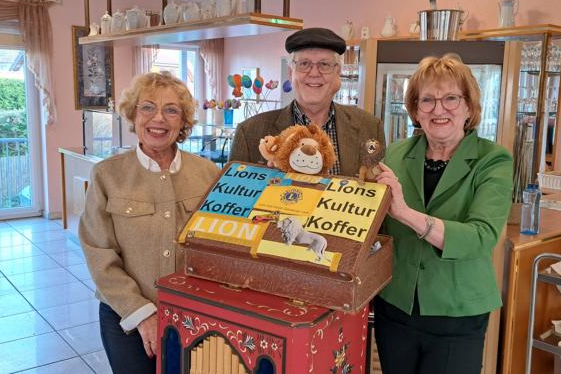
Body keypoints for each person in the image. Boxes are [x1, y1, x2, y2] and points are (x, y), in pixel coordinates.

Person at [373, 54, 513, 374]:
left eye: (451, 98)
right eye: (427, 100)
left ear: (469, 106)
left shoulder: (493, 160)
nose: (439, 109)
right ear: (415, 109)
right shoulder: (395, 153)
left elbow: (480, 237)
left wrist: (405, 213)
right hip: (395, 307)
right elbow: (372, 221)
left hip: (458, 315)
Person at [79, 72, 220, 374]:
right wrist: (142, 314)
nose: (159, 118)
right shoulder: (107, 175)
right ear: (133, 115)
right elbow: (99, 253)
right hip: (126, 318)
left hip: (196, 315)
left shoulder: (208, 173)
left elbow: (221, 246)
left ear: (183, 121)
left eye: (171, 110)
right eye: (147, 107)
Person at [229, 27, 385, 176]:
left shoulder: (370, 127)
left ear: (338, 72)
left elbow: (375, 191)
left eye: (324, 64)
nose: (314, 73)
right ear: (291, 73)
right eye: (304, 64)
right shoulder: (249, 133)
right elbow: (233, 199)